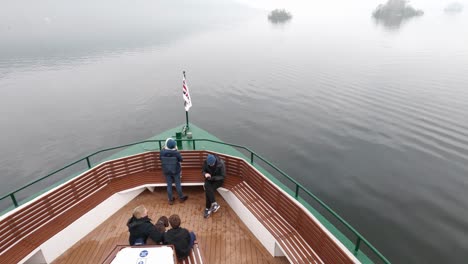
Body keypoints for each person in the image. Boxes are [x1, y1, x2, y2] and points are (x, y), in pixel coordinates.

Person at [160, 138, 188, 205]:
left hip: (167, 171)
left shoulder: (162, 152)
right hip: (175, 171)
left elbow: (160, 158)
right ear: (174, 146)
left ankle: (170, 200)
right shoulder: (176, 153)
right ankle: (181, 198)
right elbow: (181, 160)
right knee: (177, 184)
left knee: (169, 185)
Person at [202, 154, 225, 218]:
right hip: (209, 179)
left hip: (218, 180)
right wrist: (205, 174)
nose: (211, 165)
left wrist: (212, 178)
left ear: (215, 161)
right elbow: (203, 171)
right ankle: (214, 204)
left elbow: (222, 176)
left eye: (212, 164)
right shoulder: (206, 162)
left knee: (208, 190)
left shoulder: (221, 163)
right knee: (207, 186)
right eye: (209, 165)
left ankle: (207, 208)